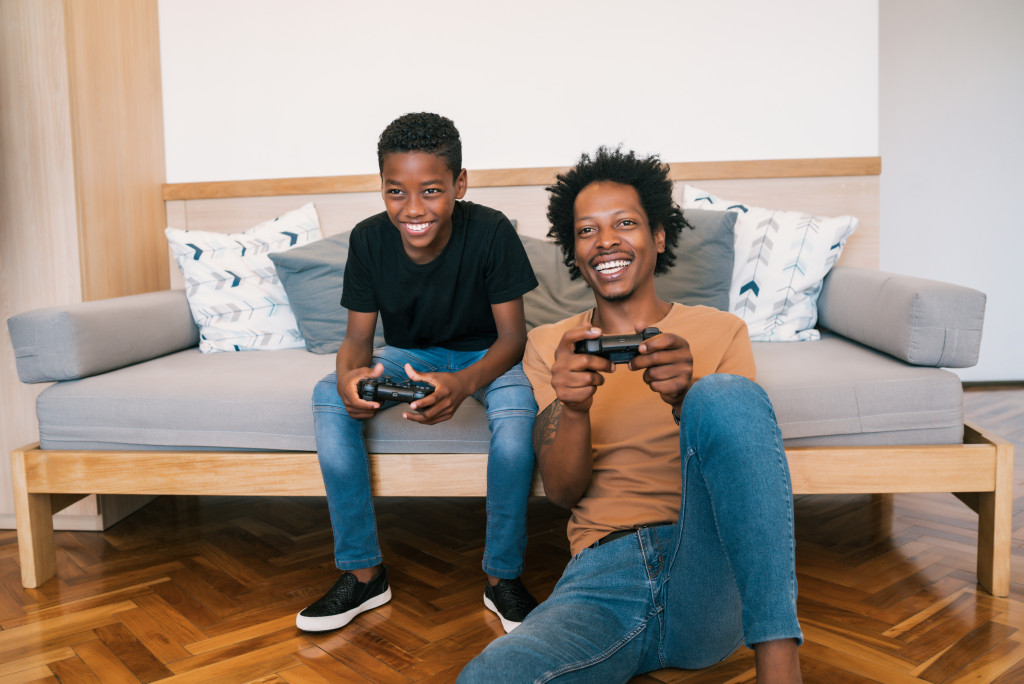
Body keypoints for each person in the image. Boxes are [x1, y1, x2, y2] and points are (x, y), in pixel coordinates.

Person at [459, 147, 803, 683]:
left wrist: (687, 398)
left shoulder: (719, 330)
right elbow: (562, 492)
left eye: (625, 223)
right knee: (487, 678)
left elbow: (744, 464)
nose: (606, 241)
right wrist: (572, 406)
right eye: (587, 231)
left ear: (659, 237)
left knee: (725, 395)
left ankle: (780, 669)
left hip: (705, 567)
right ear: (575, 251)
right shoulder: (551, 344)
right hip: (601, 577)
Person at [297, 112, 540, 634]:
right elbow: (358, 341)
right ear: (381, 190)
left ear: (459, 184)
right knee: (326, 399)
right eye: (395, 192)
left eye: (431, 190)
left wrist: (465, 383)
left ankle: (502, 579)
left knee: (518, 424)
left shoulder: (492, 230)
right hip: (409, 352)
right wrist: (346, 378)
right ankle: (363, 574)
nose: (413, 209)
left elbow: (513, 339)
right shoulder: (367, 240)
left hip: (487, 356)